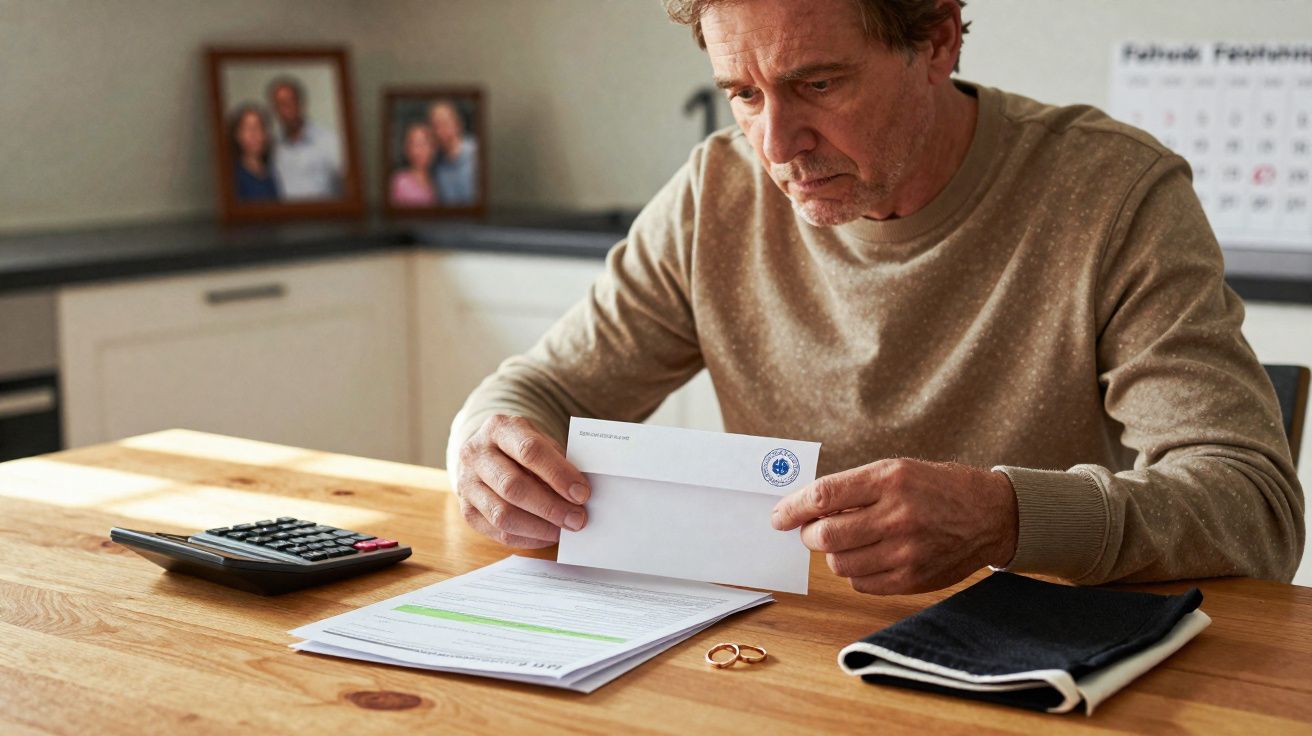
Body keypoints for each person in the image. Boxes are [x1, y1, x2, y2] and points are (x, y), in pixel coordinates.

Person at [446, 0, 1304, 594]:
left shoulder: (1114, 194)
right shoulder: (718, 192)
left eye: (818, 84)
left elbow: (1252, 508)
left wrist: (1007, 517)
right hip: (789, 652)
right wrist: (482, 443)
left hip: (1043, 674)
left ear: (937, 40)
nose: (777, 145)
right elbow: (542, 392)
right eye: (743, 94)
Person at [267, 76, 343, 200]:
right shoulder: (272, 147)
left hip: (325, 216)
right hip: (285, 217)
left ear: (301, 104)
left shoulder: (329, 141)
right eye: (280, 104)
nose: (286, 109)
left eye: (290, 102)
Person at [428, 99, 479, 206]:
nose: (439, 131)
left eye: (443, 123)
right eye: (434, 126)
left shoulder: (477, 153)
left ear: (457, 124)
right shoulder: (435, 165)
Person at [228, 104, 278, 202]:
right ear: (237, 135)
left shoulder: (272, 171)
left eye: (258, 127)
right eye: (248, 128)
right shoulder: (233, 176)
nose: (254, 134)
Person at [390, 122, 439, 206]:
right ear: (407, 149)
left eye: (425, 143)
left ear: (433, 148)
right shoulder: (399, 182)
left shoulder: (438, 178)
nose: (420, 150)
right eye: (415, 144)